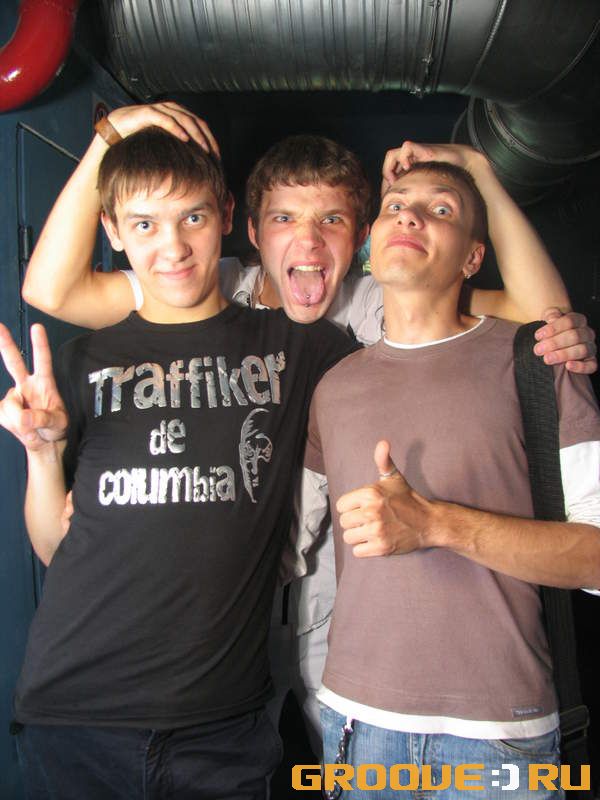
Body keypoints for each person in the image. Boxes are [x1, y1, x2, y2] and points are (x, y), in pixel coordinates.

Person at [20, 101, 597, 755]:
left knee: (336, 758)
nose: (308, 241)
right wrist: (108, 137)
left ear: (362, 240)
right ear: (251, 231)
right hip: (223, 591)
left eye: (332, 220)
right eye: (284, 218)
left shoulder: (375, 301)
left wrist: (481, 177)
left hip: (334, 581)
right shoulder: (207, 285)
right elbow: (51, 291)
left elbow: (539, 315)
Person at [0, 126, 355, 800]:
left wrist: (549, 336)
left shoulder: (299, 349)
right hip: (75, 714)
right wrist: (41, 455)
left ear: (226, 216)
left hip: (223, 727)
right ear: (112, 231)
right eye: (144, 224)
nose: (173, 247)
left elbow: (432, 335)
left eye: (192, 217)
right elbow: (54, 550)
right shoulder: (82, 363)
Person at [303, 160, 600, 799]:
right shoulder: (333, 388)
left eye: (440, 209)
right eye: (395, 205)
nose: (409, 216)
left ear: (473, 257)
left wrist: (437, 524)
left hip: (501, 737)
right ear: (370, 241)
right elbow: (285, 547)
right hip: (357, 727)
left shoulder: (542, 361)